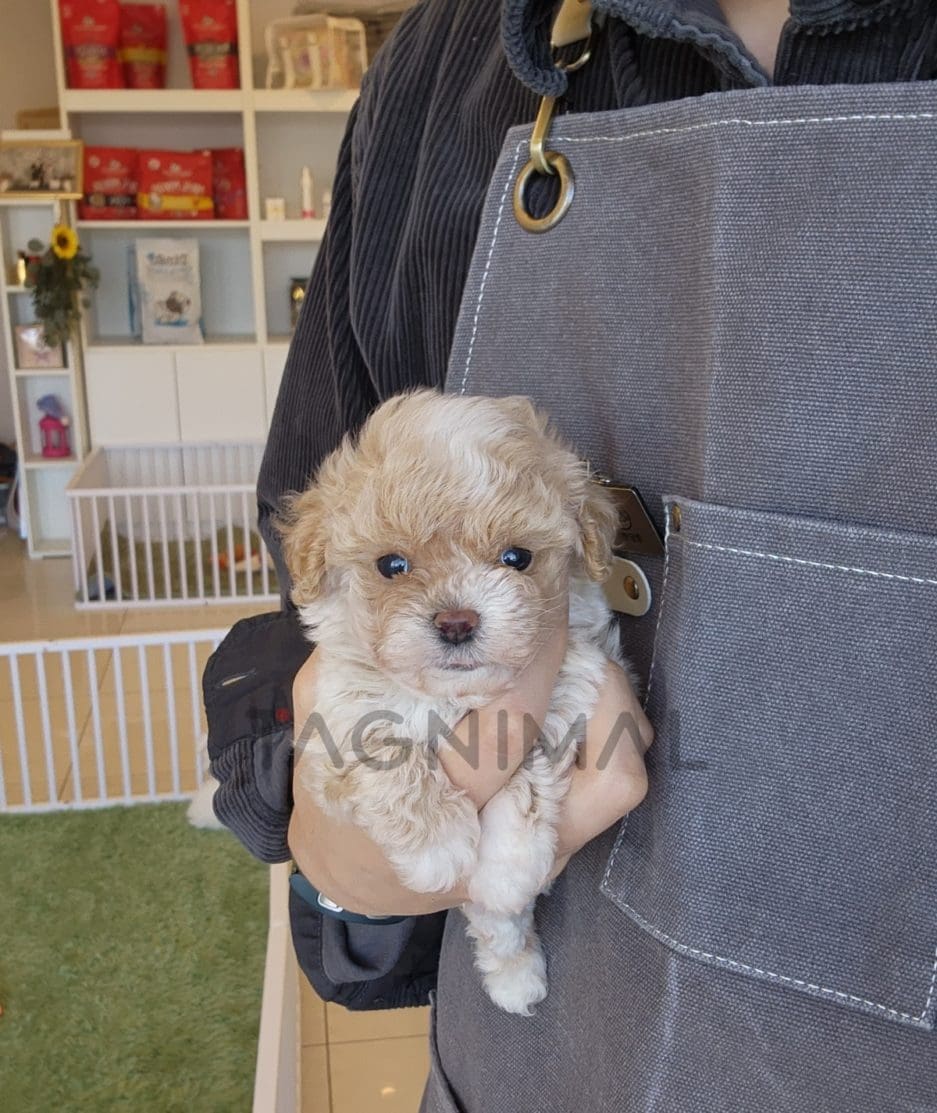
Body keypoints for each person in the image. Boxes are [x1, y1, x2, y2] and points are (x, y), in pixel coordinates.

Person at [204, 2, 937, 1109]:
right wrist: (330, 831)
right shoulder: (439, 64)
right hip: (538, 1060)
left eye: (513, 552)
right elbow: (302, 570)